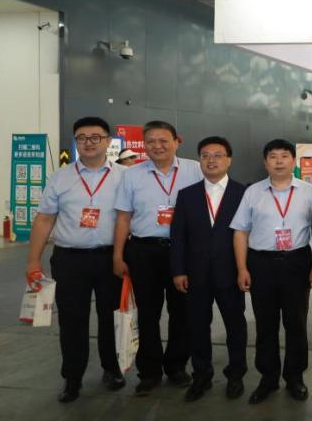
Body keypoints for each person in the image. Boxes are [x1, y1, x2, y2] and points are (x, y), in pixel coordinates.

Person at [27, 117, 126, 403]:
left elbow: (129, 217)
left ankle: (112, 369)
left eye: (95, 137)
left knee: (111, 317)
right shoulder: (61, 177)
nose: (88, 142)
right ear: (75, 142)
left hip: (111, 259)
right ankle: (72, 378)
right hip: (70, 259)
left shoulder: (124, 176)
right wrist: (33, 261)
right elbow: (44, 219)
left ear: (108, 141)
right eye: (81, 137)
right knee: (72, 320)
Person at [113, 120, 202, 395]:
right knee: (147, 313)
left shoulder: (195, 170)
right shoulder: (132, 175)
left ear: (177, 141)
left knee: (182, 312)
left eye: (163, 140)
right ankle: (149, 371)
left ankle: (176, 366)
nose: (157, 146)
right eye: (150, 141)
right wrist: (118, 254)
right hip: (144, 251)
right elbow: (123, 217)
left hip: (184, 252)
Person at [232, 139, 312, 405]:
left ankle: (295, 377)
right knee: (265, 323)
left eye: (284, 156)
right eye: (273, 156)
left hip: (297, 262)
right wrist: (242, 268)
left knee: (296, 323)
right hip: (262, 263)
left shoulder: (309, 192)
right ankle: (268, 377)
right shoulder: (253, 192)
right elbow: (240, 231)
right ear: (265, 162)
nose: (279, 161)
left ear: (293, 161)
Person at [169, 136, 248, 402]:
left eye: (217, 155)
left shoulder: (243, 193)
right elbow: (178, 236)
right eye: (205, 155)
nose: (211, 160)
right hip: (195, 274)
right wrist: (178, 270)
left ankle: (236, 375)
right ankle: (201, 375)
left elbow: (250, 234)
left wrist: (245, 269)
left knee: (235, 325)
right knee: (197, 326)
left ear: (229, 160)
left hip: (231, 273)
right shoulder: (187, 195)